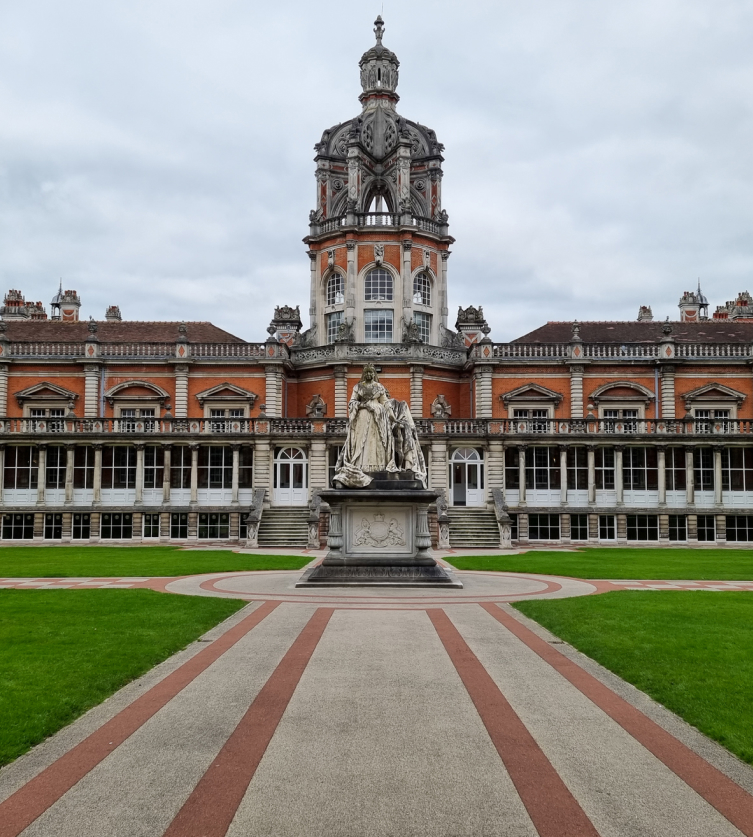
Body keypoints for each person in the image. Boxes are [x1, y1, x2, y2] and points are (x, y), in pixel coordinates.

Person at [334, 365, 398, 488]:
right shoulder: (358, 387)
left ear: (374, 374)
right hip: (362, 416)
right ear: (364, 374)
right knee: (361, 441)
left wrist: (392, 416)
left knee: (377, 440)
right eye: (367, 373)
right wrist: (363, 405)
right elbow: (352, 402)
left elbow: (385, 402)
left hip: (378, 417)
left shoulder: (379, 387)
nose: (369, 375)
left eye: (371, 373)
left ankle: (378, 466)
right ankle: (361, 465)